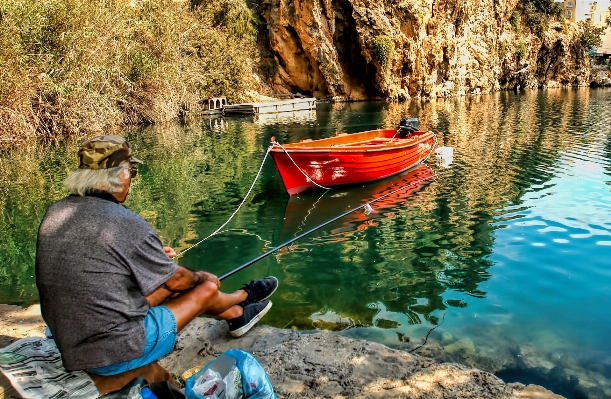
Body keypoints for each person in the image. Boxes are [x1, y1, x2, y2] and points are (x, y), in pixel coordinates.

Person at [35, 135, 278, 376]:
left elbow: (94, 264)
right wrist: (203, 276)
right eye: (131, 171)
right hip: (111, 356)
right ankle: (243, 297)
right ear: (120, 175)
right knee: (203, 288)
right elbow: (177, 281)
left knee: (169, 283)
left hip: (67, 341)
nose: (131, 179)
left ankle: (237, 313)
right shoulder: (125, 223)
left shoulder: (56, 213)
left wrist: (151, 258)